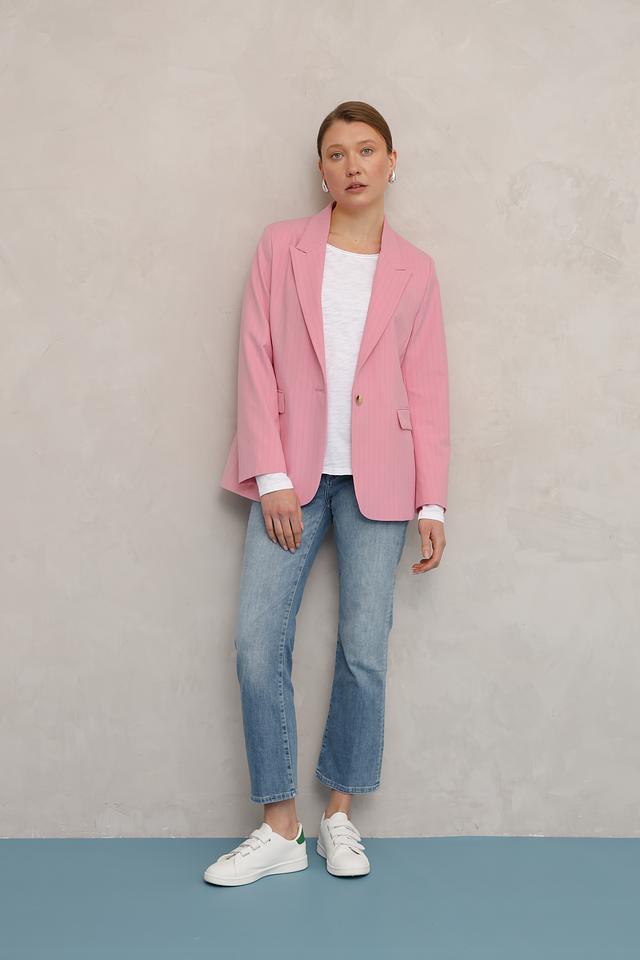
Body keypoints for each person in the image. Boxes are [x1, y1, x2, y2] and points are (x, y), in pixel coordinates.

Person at [204, 101, 450, 886]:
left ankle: (339, 814)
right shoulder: (282, 247)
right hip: (294, 478)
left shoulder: (416, 269)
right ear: (322, 171)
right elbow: (255, 356)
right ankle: (281, 827)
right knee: (256, 644)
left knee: (364, 649)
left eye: (366, 150)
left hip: (384, 478)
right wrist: (271, 475)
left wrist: (432, 501)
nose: (353, 165)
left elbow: (428, 388)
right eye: (337, 153)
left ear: (391, 162)